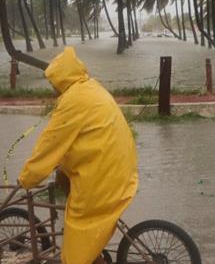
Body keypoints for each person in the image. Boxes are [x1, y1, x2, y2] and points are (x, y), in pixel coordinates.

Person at [18, 46, 139, 264]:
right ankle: (94, 253)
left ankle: (86, 256)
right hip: (120, 167)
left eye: (52, 81)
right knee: (65, 181)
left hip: (103, 177)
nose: (52, 87)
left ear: (62, 78)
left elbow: (49, 144)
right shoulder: (91, 88)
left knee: (75, 250)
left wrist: (28, 178)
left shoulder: (73, 101)